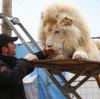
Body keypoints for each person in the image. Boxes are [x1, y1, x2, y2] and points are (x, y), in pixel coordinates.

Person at [0, 34, 55, 99]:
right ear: (4, 49)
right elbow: (13, 76)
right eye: (12, 43)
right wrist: (25, 61)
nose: (15, 45)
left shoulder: (10, 61)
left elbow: (23, 66)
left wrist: (43, 53)